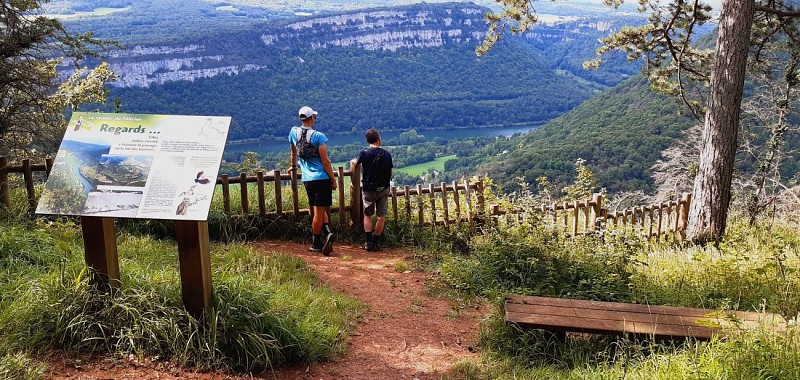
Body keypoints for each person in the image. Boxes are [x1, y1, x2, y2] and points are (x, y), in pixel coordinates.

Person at [289, 106, 337, 255]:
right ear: (311, 118)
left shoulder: (293, 133)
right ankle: (316, 242)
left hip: (307, 179)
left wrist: (293, 167)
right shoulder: (319, 137)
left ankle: (327, 233)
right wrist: (333, 179)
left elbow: (293, 153)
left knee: (318, 208)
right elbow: (325, 161)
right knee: (319, 211)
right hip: (321, 178)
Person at [351, 128, 393, 252]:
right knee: (381, 216)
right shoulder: (387, 154)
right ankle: (376, 242)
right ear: (379, 138)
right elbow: (390, 172)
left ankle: (368, 242)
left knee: (368, 214)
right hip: (384, 188)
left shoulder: (364, 153)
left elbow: (356, 165)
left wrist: (353, 162)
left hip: (369, 189)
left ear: (367, 140)